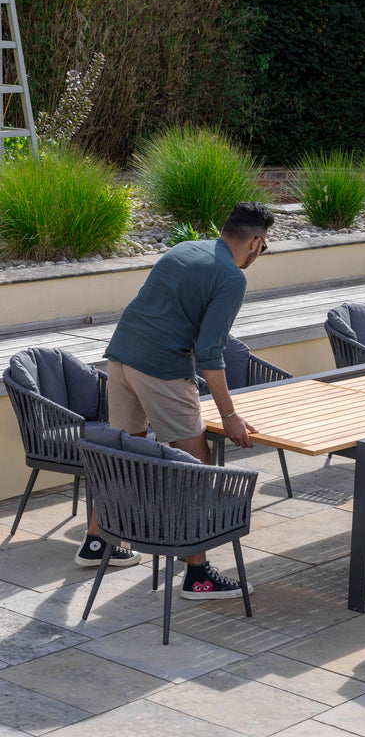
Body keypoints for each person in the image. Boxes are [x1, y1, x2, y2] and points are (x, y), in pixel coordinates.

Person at [74, 201, 274, 600]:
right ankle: (197, 574)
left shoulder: (183, 249)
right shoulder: (231, 277)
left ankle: (97, 542)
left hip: (122, 358)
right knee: (194, 465)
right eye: (264, 247)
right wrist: (230, 415)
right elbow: (210, 353)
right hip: (163, 369)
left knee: (122, 452)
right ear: (255, 242)